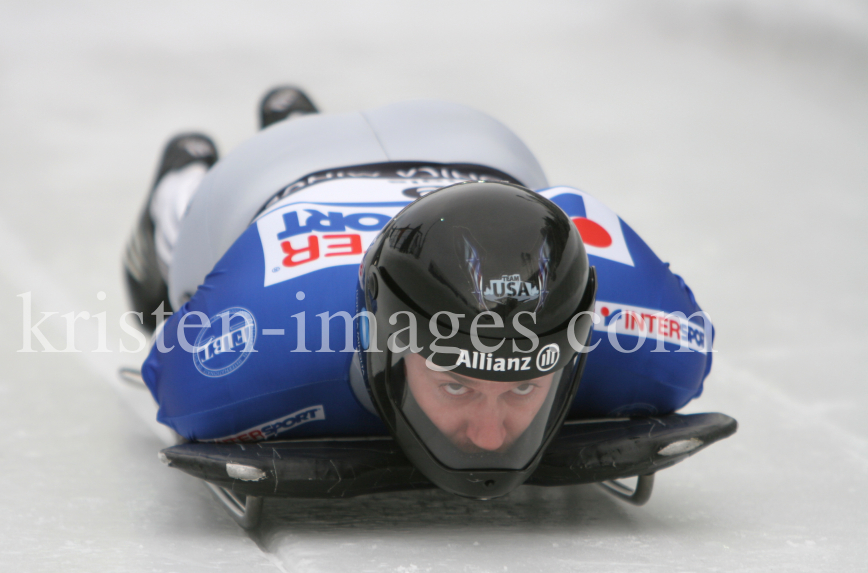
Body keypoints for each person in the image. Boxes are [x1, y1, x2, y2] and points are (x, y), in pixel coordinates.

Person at [124, 87, 714, 499]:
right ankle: (185, 181)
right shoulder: (264, 343)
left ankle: (292, 121)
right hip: (272, 173)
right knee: (172, 281)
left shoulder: (655, 341)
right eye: (457, 383)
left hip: (474, 147)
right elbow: (169, 372)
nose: (489, 437)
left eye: (525, 386)